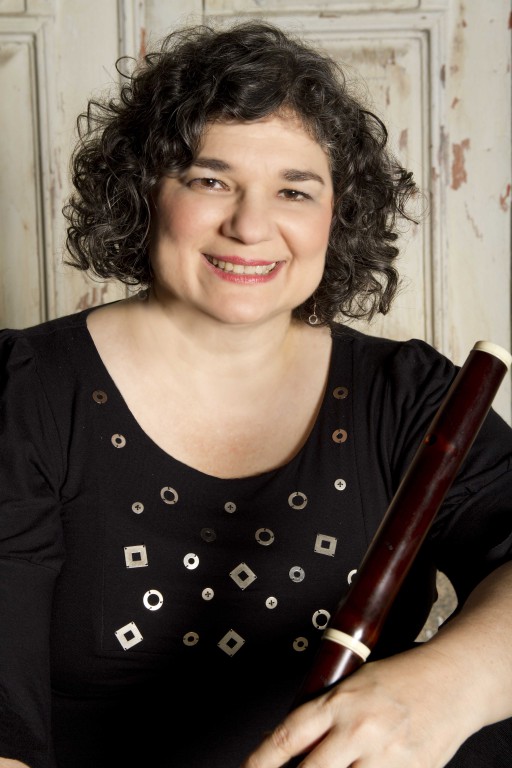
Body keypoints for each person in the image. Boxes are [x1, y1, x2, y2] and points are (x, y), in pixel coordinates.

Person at [0, 19, 511, 768]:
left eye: (294, 190)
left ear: (338, 215)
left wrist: (445, 687)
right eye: (210, 181)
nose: (250, 225)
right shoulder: (25, 392)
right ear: (144, 190)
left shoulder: (406, 396)